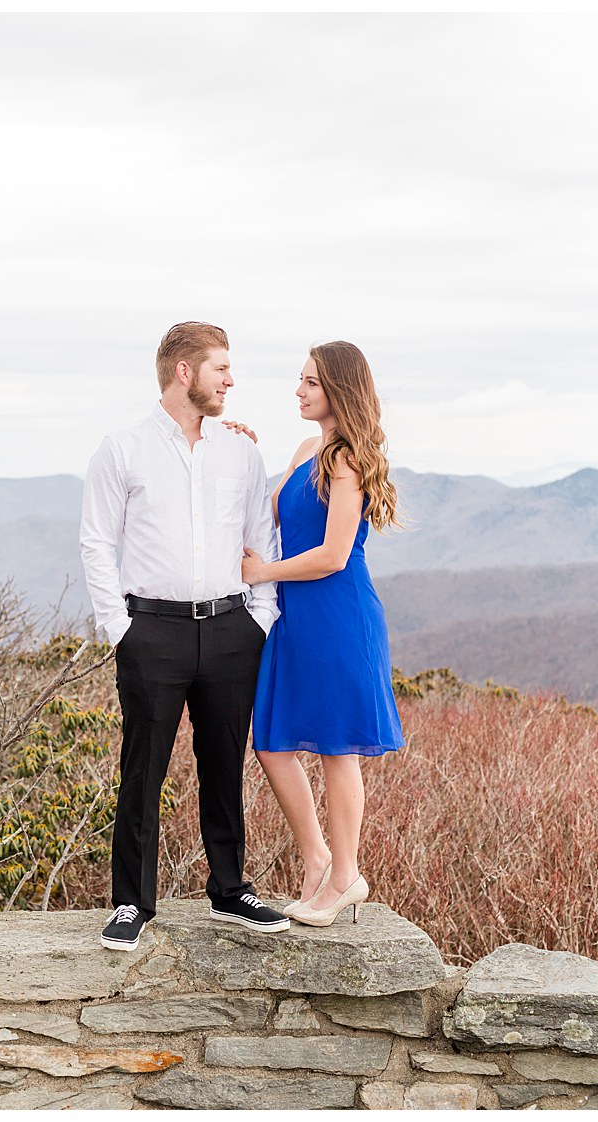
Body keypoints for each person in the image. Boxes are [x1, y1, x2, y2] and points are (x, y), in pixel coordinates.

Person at [80, 322, 289, 952]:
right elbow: (96, 541)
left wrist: (261, 616)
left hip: (232, 629)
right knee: (143, 768)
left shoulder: (241, 451)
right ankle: (130, 903)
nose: (231, 380)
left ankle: (229, 890)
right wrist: (120, 630)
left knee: (224, 763)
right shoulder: (122, 450)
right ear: (183, 372)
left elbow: (262, 535)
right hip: (153, 633)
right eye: (221, 368)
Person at [241, 341, 404, 927]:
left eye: (310, 382)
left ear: (338, 389)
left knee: (339, 749)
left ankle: (344, 876)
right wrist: (233, 443)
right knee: (272, 739)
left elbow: (334, 554)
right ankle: (317, 858)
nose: (299, 390)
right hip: (296, 620)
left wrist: (263, 572)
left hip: (337, 616)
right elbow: (268, 509)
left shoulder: (345, 458)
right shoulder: (309, 448)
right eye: (300, 379)